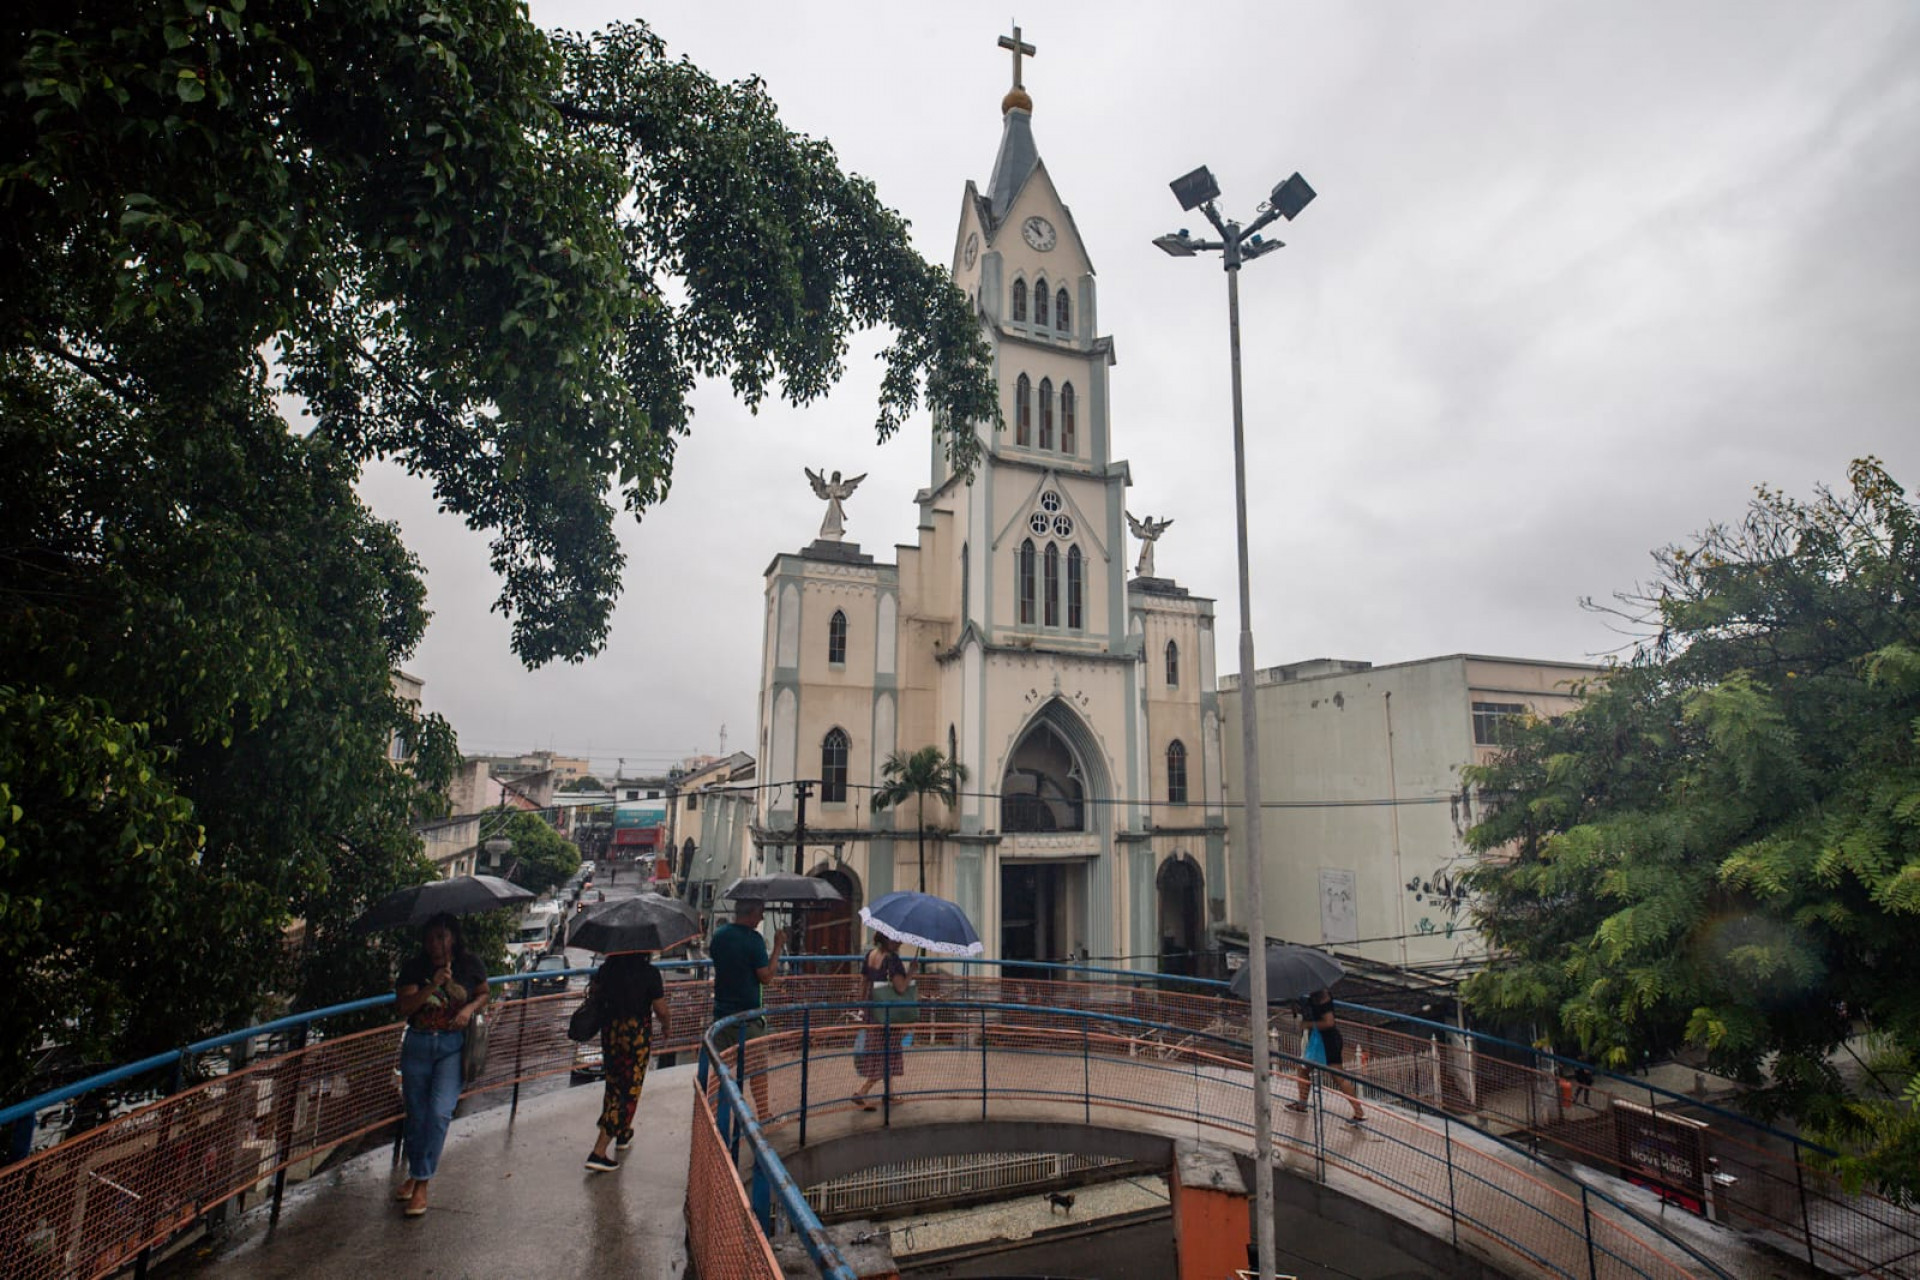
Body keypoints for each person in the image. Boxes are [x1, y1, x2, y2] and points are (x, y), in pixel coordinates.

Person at [393, 913, 490, 1217]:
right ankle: (415, 1173)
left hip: (452, 1047)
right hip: (418, 1045)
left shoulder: (470, 964)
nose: (435, 944)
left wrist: (469, 1010)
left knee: (438, 1112)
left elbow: (484, 993)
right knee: (417, 1115)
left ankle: (421, 1184)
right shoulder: (414, 967)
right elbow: (405, 1007)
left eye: (441, 937)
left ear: (453, 938)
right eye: (431, 938)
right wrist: (431, 987)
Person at [584, 951, 672, 1173]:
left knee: (614, 1084)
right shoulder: (649, 973)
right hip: (636, 1036)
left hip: (611, 1033)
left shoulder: (606, 970)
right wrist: (667, 1025)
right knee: (628, 1090)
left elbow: (595, 994)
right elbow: (661, 1009)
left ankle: (623, 1132)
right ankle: (599, 1150)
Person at [710, 900, 785, 1116]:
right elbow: (766, 977)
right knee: (758, 1070)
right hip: (748, 1018)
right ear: (751, 912)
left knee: (719, 1068)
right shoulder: (754, 940)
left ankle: (712, 1113)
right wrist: (778, 946)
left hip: (722, 1014)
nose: (762, 918)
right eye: (760, 912)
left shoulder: (719, 936)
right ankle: (764, 1114)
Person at [851, 933, 912, 1111]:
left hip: (871, 1009)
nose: (900, 942)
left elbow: (864, 982)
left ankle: (889, 1094)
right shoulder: (892, 960)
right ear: (889, 939)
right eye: (897, 938)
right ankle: (862, 1092)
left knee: (883, 1050)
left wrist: (861, 1008)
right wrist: (912, 972)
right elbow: (901, 987)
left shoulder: (870, 955)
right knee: (885, 1054)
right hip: (887, 1013)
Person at [1288, 988, 1365, 1125]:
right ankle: (1302, 1104)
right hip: (1321, 1041)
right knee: (1303, 1070)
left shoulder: (1321, 996)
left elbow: (1329, 1022)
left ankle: (1359, 1112)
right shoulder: (1315, 994)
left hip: (1325, 1042)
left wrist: (1308, 1024)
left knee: (1337, 1076)